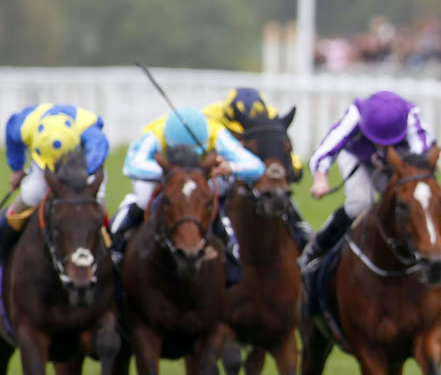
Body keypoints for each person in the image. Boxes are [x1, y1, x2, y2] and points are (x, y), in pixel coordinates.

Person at [109, 105, 265, 276]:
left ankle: (230, 249)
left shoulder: (217, 133)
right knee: (143, 199)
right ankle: (116, 243)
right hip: (165, 176)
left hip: (199, 180)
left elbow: (257, 167)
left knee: (212, 193)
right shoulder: (154, 133)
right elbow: (131, 166)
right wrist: (173, 174)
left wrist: (231, 167)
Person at [299, 90, 436, 273]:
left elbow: (422, 152)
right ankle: (317, 247)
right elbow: (327, 147)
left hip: (399, 164)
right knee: (360, 203)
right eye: (379, 141)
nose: (383, 146)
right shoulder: (356, 114)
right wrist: (320, 178)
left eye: (389, 142)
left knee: (410, 204)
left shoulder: (411, 116)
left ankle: (428, 260)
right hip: (358, 158)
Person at [0, 103, 109, 260]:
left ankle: (109, 243)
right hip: (43, 165)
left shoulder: (91, 134)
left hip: (81, 164)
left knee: (97, 201)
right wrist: (17, 168)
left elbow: (97, 157)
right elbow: (11, 136)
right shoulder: (25, 125)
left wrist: (78, 179)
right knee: (31, 194)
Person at [204, 87, 313, 243]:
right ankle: (208, 231)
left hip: (256, 169)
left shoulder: (271, 116)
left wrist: (292, 169)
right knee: (216, 189)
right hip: (223, 168)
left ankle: (301, 232)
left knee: (280, 190)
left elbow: (283, 153)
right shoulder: (209, 117)